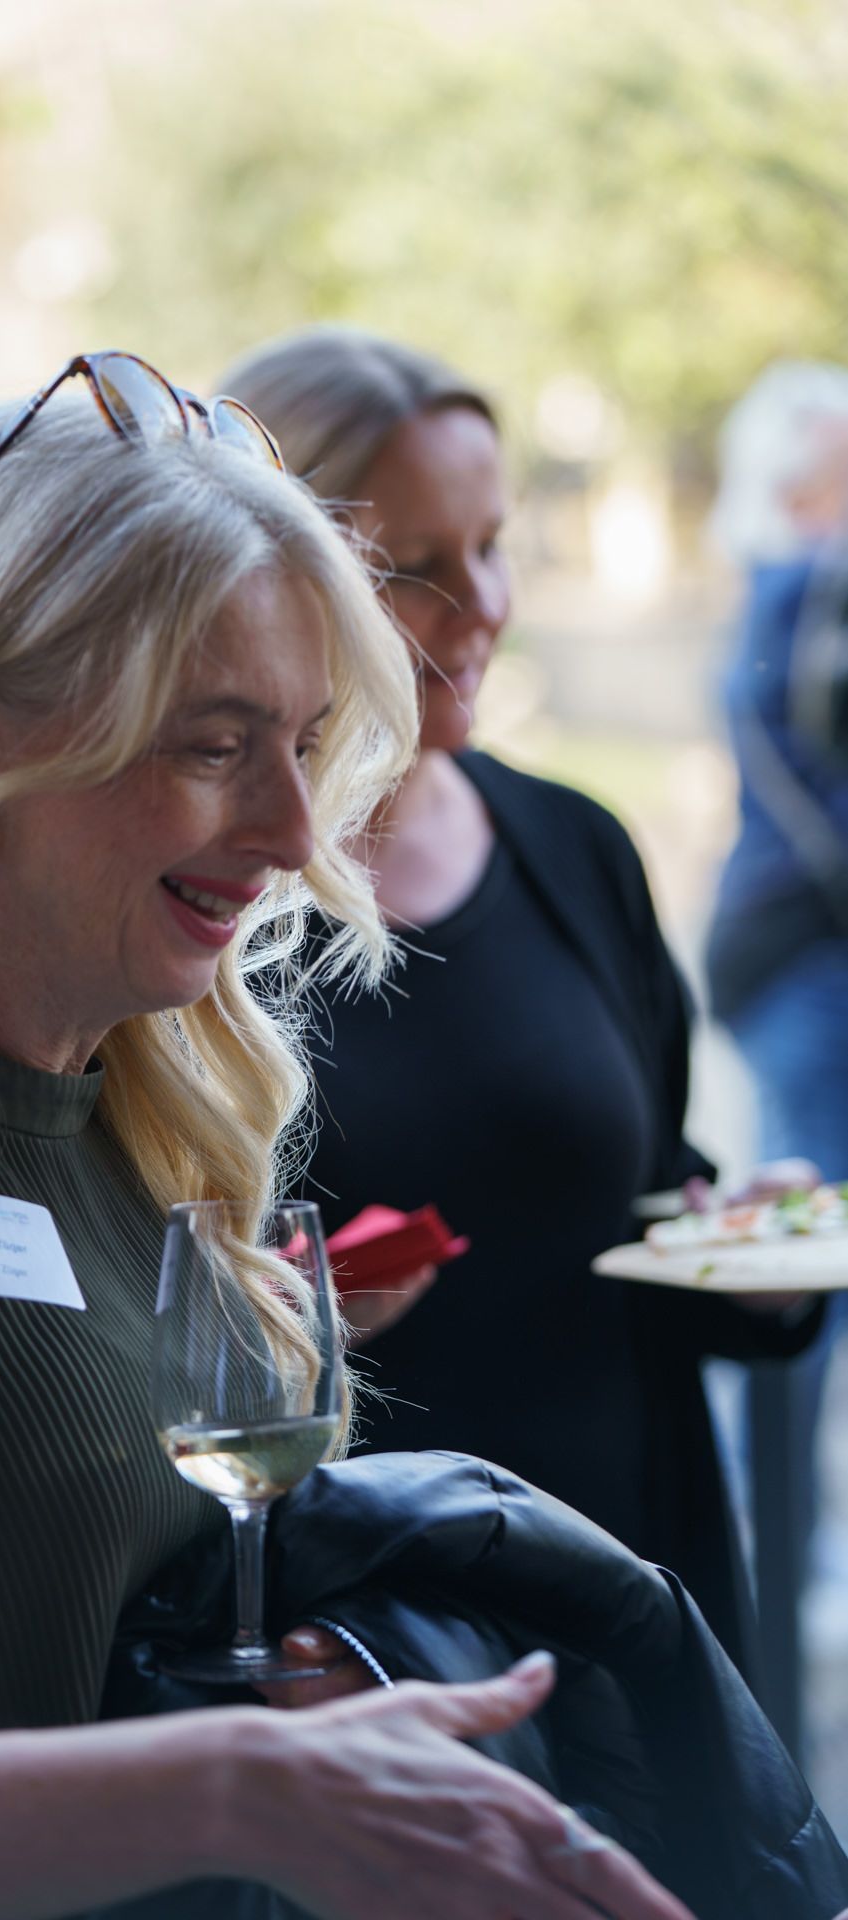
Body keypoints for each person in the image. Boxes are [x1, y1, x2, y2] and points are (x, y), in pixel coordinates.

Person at [0, 353, 692, 1920]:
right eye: (212, 744)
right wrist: (238, 1790)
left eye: (302, 744)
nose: (296, 835)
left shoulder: (129, 1105)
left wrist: (277, 1717)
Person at [219, 325, 825, 1676]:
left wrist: (752, 1264)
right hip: (362, 1645)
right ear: (265, 582)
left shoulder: (571, 846)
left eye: (490, 544)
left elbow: (637, 1207)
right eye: (414, 572)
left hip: (629, 1601)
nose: (482, 603)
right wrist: (273, 1321)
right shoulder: (201, 895)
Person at [703, 360, 848, 1751]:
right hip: (806, 967)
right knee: (808, 1251)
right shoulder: (804, 582)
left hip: (800, 960)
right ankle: (770, 1543)